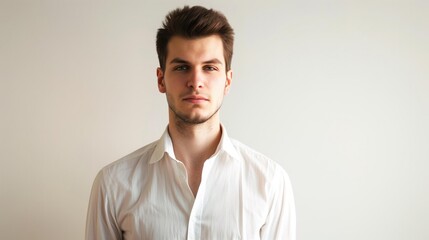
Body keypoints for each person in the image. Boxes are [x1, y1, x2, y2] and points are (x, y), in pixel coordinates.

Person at [85, 5, 296, 240]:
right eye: (182, 67)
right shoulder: (113, 184)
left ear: (227, 81)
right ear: (161, 79)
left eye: (210, 68)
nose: (196, 81)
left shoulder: (270, 182)